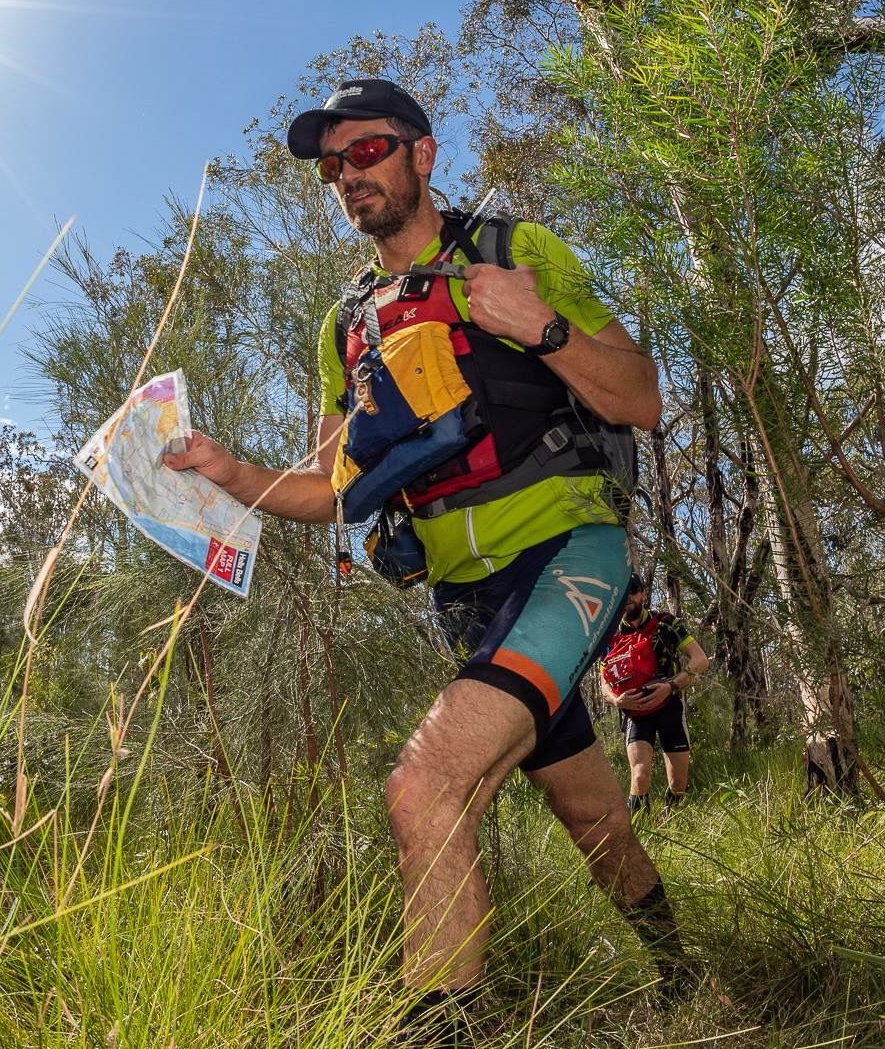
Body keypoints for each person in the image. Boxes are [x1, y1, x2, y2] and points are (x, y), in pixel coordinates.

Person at [163, 79, 693, 1040]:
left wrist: (542, 326)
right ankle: (681, 968)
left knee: (425, 786)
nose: (346, 174)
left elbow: (643, 397)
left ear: (424, 154)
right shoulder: (345, 326)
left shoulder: (515, 253)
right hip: (467, 603)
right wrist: (228, 469)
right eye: (332, 164)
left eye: (367, 151)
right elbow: (329, 487)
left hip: (568, 552)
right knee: (594, 818)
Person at [599, 575, 711, 816]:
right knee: (639, 775)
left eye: (634, 590)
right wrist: (617, 700)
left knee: (678, 783)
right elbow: (603, 681)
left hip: (669, 706)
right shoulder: (609, 636)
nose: (628, 596)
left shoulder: (665, 623)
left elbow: (700, 660)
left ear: (643, 594)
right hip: (635, 712)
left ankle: (671, 822)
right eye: (622, 592)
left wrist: (670, 686)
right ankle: (639, 832)